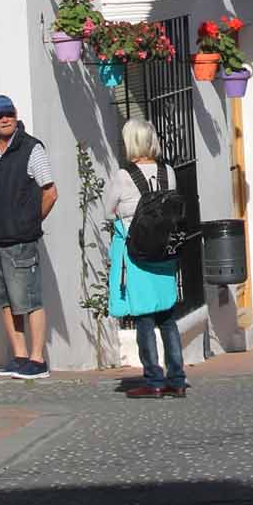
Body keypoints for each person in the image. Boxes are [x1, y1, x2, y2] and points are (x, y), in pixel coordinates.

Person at [104, 118, 187, 397]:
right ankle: (177, 378)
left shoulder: (123, 176)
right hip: (164, 253)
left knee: (144, 318)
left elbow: (108, 211)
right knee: (167, 316)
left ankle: (153, 380)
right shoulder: (168, 172)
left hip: (137, 254)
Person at [0, 94, 56, 379]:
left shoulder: (31, 148)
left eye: (8, 113)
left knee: (29, 299)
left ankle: (37, 360)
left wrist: (30, 221)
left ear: (16, 114)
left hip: (21, 239)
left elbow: (50, 191)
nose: (5, 119)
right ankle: (19, 356)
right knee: (4, 301)